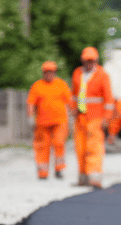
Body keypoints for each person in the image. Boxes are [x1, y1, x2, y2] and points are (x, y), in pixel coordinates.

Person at [71, 46, 114, 189]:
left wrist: (106, 118)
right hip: (80, 117)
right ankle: (83, 178)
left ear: (96, 61)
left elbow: (108, 100)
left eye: (92, 60)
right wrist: (73, 109)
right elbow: (74, 95)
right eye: (87, 60)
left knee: (94, 148)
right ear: (82, 60)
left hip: (96, 118)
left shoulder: (103, 75)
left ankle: (94, 178)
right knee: (80, 148)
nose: (89, 63)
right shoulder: (77, 73)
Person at [27, 61, 72, 179]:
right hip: (42, 123)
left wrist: (74, 113)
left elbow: (70, 100)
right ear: (43, 73)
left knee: (59, 143)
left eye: (51, 72)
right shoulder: (37, 86)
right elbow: (31, 103)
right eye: (47, 72)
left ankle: (59, 169)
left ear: (55, 72)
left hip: (60, 122)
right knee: (42, 147)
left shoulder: (61, 84)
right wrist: (30, 117)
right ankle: (42, 172)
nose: (49, 74)